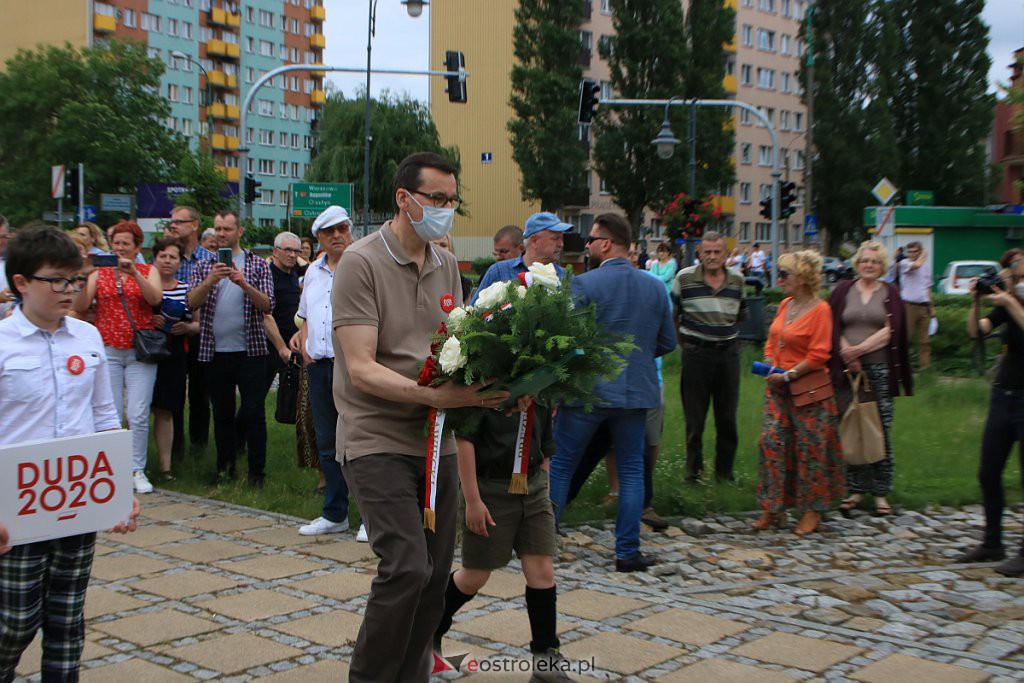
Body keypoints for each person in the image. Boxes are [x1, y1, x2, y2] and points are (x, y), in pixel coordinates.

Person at [333, 152, 512, 681]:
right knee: (406, 566)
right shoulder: (360, 262)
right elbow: (362, 368)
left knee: (434, 577)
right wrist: (435, 398)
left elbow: (453, 348)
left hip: (437, 440)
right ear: (403, 199)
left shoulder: (446, 263)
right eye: (435, 198)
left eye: (451, 200)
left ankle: (409, 674)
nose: (445, 209)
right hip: (375, 437)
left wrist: (503, 383)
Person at [0, 225, 140, 682]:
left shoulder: (86, 337)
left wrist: (119, 489)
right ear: (21, 282)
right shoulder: (3, 343)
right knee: (14, 623)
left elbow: (104, 415)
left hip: (75, 500)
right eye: (56, 281)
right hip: (15, 508)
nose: (70, 290)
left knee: (66, 620)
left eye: (76, 279)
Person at [548, 213, 676, 572]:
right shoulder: (654, 287)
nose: (586, 246)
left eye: (591, 240)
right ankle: (627, 552)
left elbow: (566, 342)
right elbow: (668, 341)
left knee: (561, 467)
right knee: (633, 473)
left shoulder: (583, 285)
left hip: (586, 392)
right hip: (635, 393)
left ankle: (543, 544)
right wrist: (634, 358)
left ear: (606, 244)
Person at [433, 401, 571, 680]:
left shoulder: (540, 385)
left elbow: (546, 443)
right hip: (489, 491)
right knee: (474, 576)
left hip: (532, 490)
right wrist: (472, 500)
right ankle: (427, 631)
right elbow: (465, 441)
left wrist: (543, 481)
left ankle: (546, 662)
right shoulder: (488, 386)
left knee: (542, 571)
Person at [755, 250, 845, 536]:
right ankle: (773, 506)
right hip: (778, 388)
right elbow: (773, 339)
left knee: (811, 449)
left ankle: (811, 510)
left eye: (785, 274)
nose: (779, 279)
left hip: (808, 392)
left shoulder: (821, 310)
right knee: (772, 443)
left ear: (804, 278)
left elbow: (819, 355)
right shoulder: (785, 304)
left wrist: (790, 374)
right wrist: (770, 363)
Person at [73, 221, 163, 493]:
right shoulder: (100, 273)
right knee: (110, 414)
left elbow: (155, 298)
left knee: (136, 413)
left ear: (137, 246)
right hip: (108, 350)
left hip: (139, 353)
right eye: (116, 242)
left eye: (126, 243)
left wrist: (135, 274)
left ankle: (137, 468)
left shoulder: (148, 270)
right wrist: (84, 271)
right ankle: (111, 469)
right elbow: (80, 305)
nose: (120, 247)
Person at [188, 210, 274, 486]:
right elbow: (191, 302)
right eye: (217, 229)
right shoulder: (204, 266)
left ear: (240, 231)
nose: (221, 234)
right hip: (215, 352)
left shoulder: (257, 265)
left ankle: (256, 474)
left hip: (251, 351)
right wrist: (211, 280)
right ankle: (225, 469)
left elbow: (267, 305)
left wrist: (243, 283)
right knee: (222, 413)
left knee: (253, 414)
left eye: (227, 229)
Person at [828, 241, 913, 517]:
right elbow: (832, 324)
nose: (869, 265)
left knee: (879, 429)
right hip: (847, 371)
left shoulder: (890, 293)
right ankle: (854, 489)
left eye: (874, 262)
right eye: (864, 260)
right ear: (857, 263)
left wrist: (859, 350)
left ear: (882, 266)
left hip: (879, 369)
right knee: (852, 426)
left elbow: (892, 330)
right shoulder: (843, 290)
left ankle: (880, 492)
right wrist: (845, 352)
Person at [291, 208, 359, 539]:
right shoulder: (314, 272)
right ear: (318, 237)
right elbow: (306, 315)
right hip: (320, 367)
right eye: (328, 231)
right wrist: (305, 345)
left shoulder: (363, 264)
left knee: (361, 441)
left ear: (350, 230)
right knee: (328, 442)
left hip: (354, 367)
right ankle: (335, 513)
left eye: (342, 228)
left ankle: (373, 518)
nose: (337, 235)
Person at [957, 252, 1024, 577]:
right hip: (1003, 396)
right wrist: (976, 303)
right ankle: (992, 542)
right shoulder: (1007, 305)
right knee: (988, 471)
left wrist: (1011, 304)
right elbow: (977, 331)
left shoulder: (1014, 305)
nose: (1013, 279)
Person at [672, 231, 746, 483]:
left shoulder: (738, 280)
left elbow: (740, 316)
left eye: (717, 252)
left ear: (726, 254)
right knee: (695, 419)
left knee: (727, 419)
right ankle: (694, 473)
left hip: (728, 356)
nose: (712, 257)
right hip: (696, 355)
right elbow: (674, 314)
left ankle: (724, 475)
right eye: (708, 252)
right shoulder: (684, 278)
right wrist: (684, 345)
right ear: (699, 254)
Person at [149, 237, 200, 481]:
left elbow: (198, 324)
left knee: (168, 409)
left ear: (180, 262)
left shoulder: (186, 289)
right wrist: (150, 321)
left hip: (175, 352)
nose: (168, 261)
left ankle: (166, 467)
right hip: (146, 351)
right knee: (139, 410)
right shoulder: (145, 286)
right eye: (163, 256)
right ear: (154, 258)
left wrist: (187, 328)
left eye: (173, 257)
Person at [168, 205, 215, 455]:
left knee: (199, 395)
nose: (173, 225)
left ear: (194, 225)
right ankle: (174, 449)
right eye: (172, 222)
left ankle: (199, 448)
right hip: (172, 333)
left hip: (201, 333)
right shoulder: (168, 257)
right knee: (174, 394)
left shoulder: (208, 260)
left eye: (179, 221)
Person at [473, 212, 568, 304]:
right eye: (555, 238)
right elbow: (472, 314)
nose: (561, 244)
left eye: (562, 238)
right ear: (534, 240)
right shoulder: (498, 271)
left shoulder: (566, 277)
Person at [898, 241, 933, 370]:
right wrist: (924, 255)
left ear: (919, 251)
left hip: (924, 305)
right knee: (906, 337)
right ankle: (902, 365)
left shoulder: (927, 267)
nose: (911, 254)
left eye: (914, 251)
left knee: (925, 340)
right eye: (909, 252)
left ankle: (925, 367)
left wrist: (931, 308)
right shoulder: (904, 263)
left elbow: (928, 287)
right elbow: (917, 265)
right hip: (909, 306)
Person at [432, 233, 473, 302]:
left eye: (443, 245)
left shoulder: (463, 284)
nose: (438, 249)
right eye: (434, 245)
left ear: (451, 249)